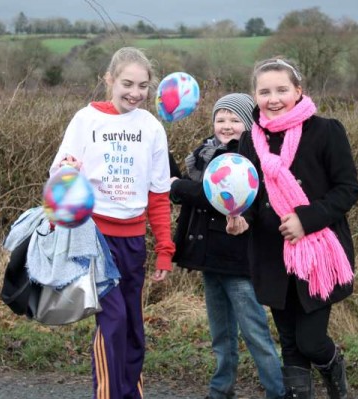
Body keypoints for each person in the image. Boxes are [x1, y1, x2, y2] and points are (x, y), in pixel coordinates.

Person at [227, 58, 358, 399]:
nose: (273, 99)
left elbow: (347, 189)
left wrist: (306, 218)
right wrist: (241, 219)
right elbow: (253, 200)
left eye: (282, 90)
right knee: (289, 343)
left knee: (311, 341)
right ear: (254, 96)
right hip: (272, 255)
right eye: (265, 91)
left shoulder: (326, 131)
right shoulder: (249, 142)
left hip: (318, 253)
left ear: (298, 91)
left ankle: (333, 370)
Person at [49, 47, 175, 399]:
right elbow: (59, 176)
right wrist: (67, 168)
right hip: (95, 239)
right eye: (127, 83)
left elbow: (159, 195)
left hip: (133, 241)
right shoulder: (86, 119)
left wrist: (164, 249)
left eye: (143, 86)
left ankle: (131, 392)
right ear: (109, 80)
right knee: (113, 319)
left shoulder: (151, 127)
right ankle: (107, 394)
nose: (135, 93)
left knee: (133, 325)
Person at [170, 93, 285, 399]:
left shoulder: (245, 159)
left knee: (255, 333)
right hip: (210, 260)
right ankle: (221, 389)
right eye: (221, 118)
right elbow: (189, 189)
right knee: (221, 335)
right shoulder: (205, 154)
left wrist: (178, 187)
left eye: (235, 119)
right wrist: (171, 175)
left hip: (238, 261)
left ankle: (279, 391)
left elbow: (211, 194)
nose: (226, 125)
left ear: (249, 124)